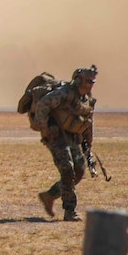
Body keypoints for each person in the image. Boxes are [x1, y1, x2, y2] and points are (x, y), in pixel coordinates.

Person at [35, 65, 98, 222]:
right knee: (67, 169)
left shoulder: (87, 99)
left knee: (78, 171)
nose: (91, 84)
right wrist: (44, 127)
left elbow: (88, 122)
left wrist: (88, 144)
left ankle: (49, 196)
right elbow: (43, 104)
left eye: (92, 81)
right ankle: (70, 211)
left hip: (72, 137)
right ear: (78, 80)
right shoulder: (64, 93)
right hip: (56, 136)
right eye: (88, 81)